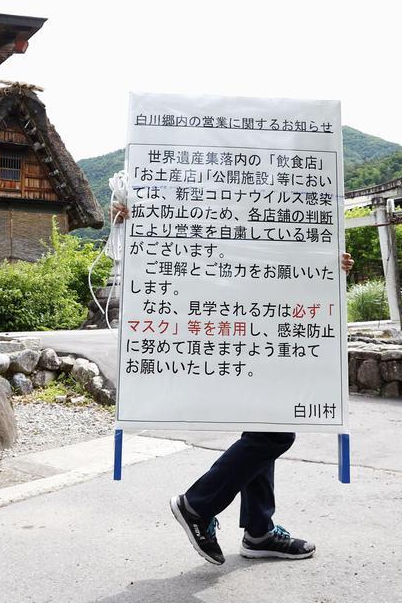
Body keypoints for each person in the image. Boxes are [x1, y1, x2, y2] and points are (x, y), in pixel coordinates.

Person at [112, 202, 354, 565]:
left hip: (270, 329)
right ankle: (198, 505)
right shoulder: (228, 197)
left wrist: (328, 266)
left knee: (266, 427)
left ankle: (259, 530)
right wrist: (140, 214)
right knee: (274, 434)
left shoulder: (274, 202)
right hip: (241, 327)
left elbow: (281, 253)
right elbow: (199, 228)